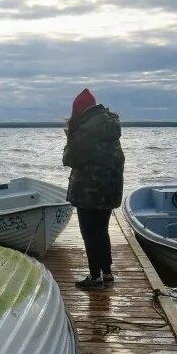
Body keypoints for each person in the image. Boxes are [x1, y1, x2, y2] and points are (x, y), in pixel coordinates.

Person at [62, 88, 124, 289]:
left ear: (79, 110)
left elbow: (70, 159)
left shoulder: (84, 130)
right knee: (101, 230)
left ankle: (95, 277)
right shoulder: (110, 127)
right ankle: (107, 273)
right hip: (110, 189)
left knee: (89, 232)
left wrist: (69, 138)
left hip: (88, 191)